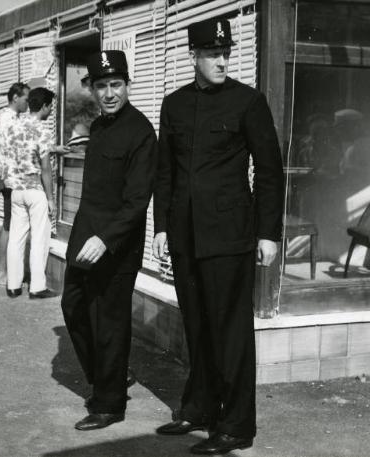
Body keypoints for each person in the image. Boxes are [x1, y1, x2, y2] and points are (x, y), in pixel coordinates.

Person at [152, 16, 284, 455]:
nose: (222, 61)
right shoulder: (173, 105)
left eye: (225, 53)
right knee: (197, 326)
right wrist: (162, 228)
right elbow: (165, 173)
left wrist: (269, 234)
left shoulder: (247, 102)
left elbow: (269, 172)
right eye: (213, 54)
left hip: (230, 237)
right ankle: (200, 407)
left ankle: (236, 426)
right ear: (195, 56)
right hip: (186, 237)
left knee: (230, 333)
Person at [60, 50, 157, 431]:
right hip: (85, 240)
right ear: (93, 90)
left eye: (116, 84)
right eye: (101, 86)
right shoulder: (97, 128)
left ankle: (109, 402)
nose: (109, 93)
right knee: (74, 306)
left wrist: (106, 239)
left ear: (127, 85)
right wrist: (82, 237)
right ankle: (107, 376)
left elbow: (137, 201)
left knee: (110, 323)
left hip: (116, 245)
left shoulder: (141, 132)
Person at [4, 87, 61, 299]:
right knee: (39, 239)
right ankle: (37, 287)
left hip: (17, 190)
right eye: (50, 107)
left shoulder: (15, 126)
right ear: (44, 106)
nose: (50, 111)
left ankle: (13, 285)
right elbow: (46, 169)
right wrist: (51, 198)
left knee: (16, 239)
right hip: (36, 191)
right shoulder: (42, 130)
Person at [0, 82, 30, 289]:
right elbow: (6, 152)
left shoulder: (15, 119)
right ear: (16, 97)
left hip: (17, 179)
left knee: (16, 226)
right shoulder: (6, 120)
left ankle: (12, 270)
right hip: (11, 180)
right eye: (25, 98)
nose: (27, 103)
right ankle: (2, 272)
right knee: (8, 226)